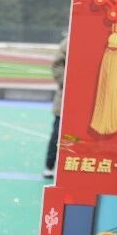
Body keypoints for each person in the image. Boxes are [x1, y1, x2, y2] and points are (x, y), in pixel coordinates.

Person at [45, 35, 67, 179]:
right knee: (58, 134)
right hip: (65, 98)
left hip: (90, 101)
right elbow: (57, 65)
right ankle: (49, 165)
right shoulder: (70, 41)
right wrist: (69, 81)